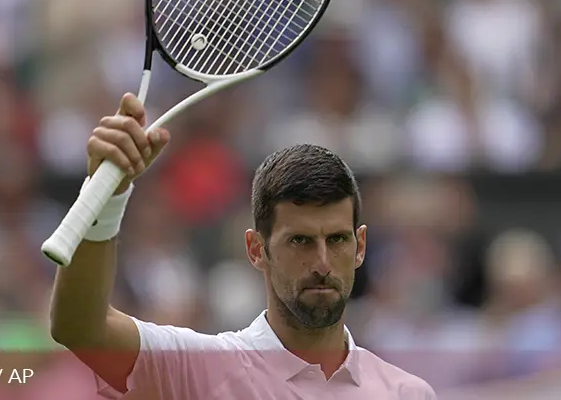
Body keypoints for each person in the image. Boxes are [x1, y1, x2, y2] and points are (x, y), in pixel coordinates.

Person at [50, 93, 437, 399]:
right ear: (256, 250)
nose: (322, 262)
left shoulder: (409, 393)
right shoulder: (200, 369)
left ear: (360, 246)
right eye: (299, 241)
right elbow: (80, 328)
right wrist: (108, 195)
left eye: (336, 240)